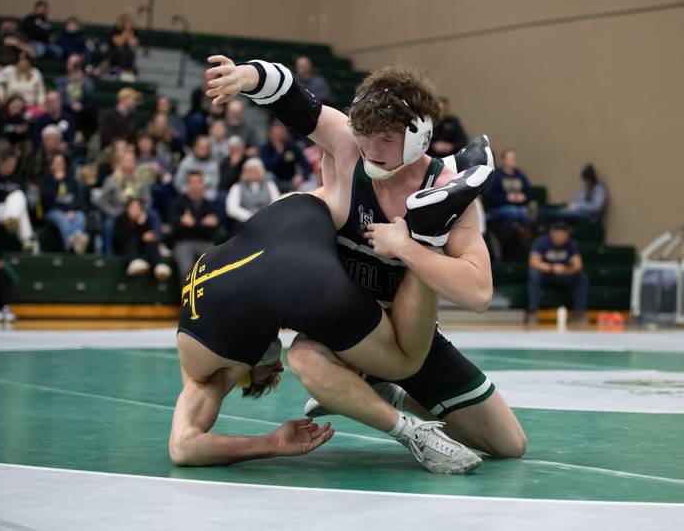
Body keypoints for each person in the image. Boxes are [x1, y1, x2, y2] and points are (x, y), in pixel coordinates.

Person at [204, 56, 525, 462]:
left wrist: (408, 247)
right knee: (303, 356)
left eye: (386, 138)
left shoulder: (448, 190)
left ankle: (384, 389)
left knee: (509, 445)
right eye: (366, 134)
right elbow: (292, 97)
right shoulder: (349, 148)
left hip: (409, 331)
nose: (372, 150)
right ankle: (409, 432)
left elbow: (478, 293)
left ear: (420, 135)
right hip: (347, 329)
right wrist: (244, 76)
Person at [170, 189, 481, 472]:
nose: (279, 366)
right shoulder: (199, 339)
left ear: (245, 373)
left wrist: (272, 443)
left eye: (270, 371)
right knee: (335, 187)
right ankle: (417, 222)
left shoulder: (207, 377)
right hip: (290, 213)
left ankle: (426, 238)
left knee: (404, 361)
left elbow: (183, 447)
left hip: (300, 274)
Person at [527, 222, 589, 324]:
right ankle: (533, 312)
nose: (560, 237)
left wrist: (565, 270)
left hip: (563, 274)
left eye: (563, 235)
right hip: (545, 274)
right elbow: (533, 262)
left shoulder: (571, 244)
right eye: (558, 234)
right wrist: (552, 268)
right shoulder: (542, 242)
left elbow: (578, 265)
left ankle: (579, 314)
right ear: (552, 233)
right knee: (534, 275)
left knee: (582, 277)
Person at [96, 150, 151, 254]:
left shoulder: (141, 181)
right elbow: (102, 202)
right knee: (108, 225)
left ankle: (156, 247)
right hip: (117, 213)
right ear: (120, 163)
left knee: (154, 216)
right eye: (126, 161)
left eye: (131, 161)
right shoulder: (111, 180)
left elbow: (147, 200)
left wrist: (140, 212)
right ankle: (109, 254)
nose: (129, 164)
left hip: (137, 214)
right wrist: (114, 213)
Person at [0, 147, 34, 251]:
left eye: (13, 164)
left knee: (18, 194)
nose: (11, 166)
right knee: (17, 205)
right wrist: (7, 200)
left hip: (11, 211)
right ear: (1, 162)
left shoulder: (17, 179)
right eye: (9, 163)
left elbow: (23, 199)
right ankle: (26, 239)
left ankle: (12, 221)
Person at [170, 171, 218, 279]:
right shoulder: (177, 203)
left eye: (198, 182)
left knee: (214, 268)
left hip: (205, 242)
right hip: (183, 242)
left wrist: (193, 223)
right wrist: (202, 223)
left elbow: (212, 230)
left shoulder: (209, 205)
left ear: (203, 184)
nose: (195, 186)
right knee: (186, 270)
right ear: (187, 185)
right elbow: (176, 228)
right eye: (192, 182)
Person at [483, 148, 532, 255]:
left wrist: (523, 197)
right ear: (504, 160)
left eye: (514, 158)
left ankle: (521, 236)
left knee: (524, 212)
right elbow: (489, 196)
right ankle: (510, 238)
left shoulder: (520, 175)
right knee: (512, 211)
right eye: (510, 158)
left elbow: (528, 194)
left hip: (519, 207)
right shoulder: (496, 175)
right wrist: (507, 198)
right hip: (498, 208)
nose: (513, 161)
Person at [40, 152, 88, 254]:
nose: (59, 166)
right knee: (62, 219)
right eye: (56, 163)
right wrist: (58, 182)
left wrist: (71, 210)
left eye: (61, 163)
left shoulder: (72, 181)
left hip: (71, 211)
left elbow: (79, 199)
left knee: (80, 216)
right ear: (51, 165)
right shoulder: (46, 180)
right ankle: (70, 247)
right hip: (53, 211)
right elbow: (47, 199)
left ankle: (76, 242)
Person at [113, 198, 170, 281]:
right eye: (132, 208)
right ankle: (133, 262)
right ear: (127, 209)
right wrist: (139, 232)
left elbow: (149, 234)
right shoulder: (121, 219)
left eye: (137, 208)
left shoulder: (146, 219)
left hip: (144, 248)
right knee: (131, 240)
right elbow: (118, 238)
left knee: (151, 241)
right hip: (126, 250)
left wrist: (141, 224)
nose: (135, 211)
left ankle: (158, 266)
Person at [538, 163, 607, 225]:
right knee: (557, 209)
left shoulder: (599, 190)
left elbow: (596, 207)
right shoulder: (585, 188)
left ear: (592, 179)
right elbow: (577, 199)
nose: (585, 183)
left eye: (587, 180)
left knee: (560, 214)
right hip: (578, 211)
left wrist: (578, 206)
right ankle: (543, 213)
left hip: (590, 217)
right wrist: (571, 205)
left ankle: (545, 215)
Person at [225, 157, 279, 233]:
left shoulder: (270, 185)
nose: (252, 173)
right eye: (249, 170)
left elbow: (276, 203)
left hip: (267, 219)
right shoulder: (237, 187)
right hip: (245, 221)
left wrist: (265, 216)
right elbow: (231, 208)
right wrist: (249, 216)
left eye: (254, 170)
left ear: (261, 171)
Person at [259, 120, 311, 193]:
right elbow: (267, 167)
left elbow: (306, 166)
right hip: (274, 181)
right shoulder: (265, 148)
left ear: (285, 133)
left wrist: (301, 176)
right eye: (275, 134)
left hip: (291, 181)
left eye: (280, 134)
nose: (277, 137)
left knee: (309, 181)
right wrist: (279, 153)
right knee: (269, 176)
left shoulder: (292, 147)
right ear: (270, 134)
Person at [56, 53, 96, 141]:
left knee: (91, 111)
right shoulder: (62, 80)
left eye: (76, 64)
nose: (73, 66)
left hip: (82, 108)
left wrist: (81, 81)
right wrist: (71, 103)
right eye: (71, 63)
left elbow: (90, 93)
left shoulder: (86, 80)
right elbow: (61, 96)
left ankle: (83, 134)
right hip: (67, 108)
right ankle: (70, 134)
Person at [174, 135, 220, 201]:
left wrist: (201, 195)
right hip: (187, 196)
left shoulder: (213, 165)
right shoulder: (187, 162)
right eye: (200, 147)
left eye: (204, 147)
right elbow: (178, 183)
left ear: (209, 149)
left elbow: (214, 188)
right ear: (195, 147)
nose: (202, 150)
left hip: (206, 199)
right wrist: (191, 193)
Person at [105, 14, 138, 81]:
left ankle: (128, 71)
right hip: (115, 55)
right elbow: (119, 43)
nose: (127, 23)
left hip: (128, 57)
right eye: (125, 21)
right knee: (121, 52)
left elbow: (133, 44)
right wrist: (125, 31)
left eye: (128, 21)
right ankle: (117, 71)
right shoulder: (115, 30)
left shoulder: (133, 31)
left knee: (131, 53)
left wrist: (129, 31)